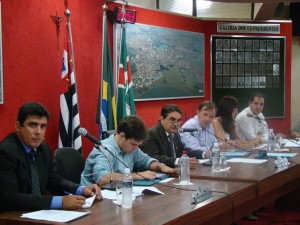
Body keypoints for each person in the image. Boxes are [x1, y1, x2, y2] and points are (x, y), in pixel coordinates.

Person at [0, 102, 101, 212]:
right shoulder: (5, 152)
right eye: (32, 125)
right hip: (12, 216)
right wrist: (59, 202)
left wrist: (81, 189)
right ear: (18, 126)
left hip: (38, 214)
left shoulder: (43, 149)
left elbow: (54, 181)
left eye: (43, 126)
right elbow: (10, 198)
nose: (38, 132)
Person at [80, 115, 176, 186]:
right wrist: (137, 175)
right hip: (92, 198)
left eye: (138, 145)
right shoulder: (104, 149)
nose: (135, 148)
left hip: (119, 192)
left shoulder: (132, 147)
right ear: (122, 136)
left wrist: (160, 166)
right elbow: (102, 178)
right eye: (134, 144)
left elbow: (146, 160)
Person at [140, 104, 210, 168]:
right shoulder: (151, 134)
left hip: (174, 171)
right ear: (162, 118)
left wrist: (204, 154)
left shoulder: (175, 133)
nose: (176, 124)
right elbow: (152, 157)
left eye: (178, 120)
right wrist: (177, 161)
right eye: (172, 120)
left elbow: (182, 151)